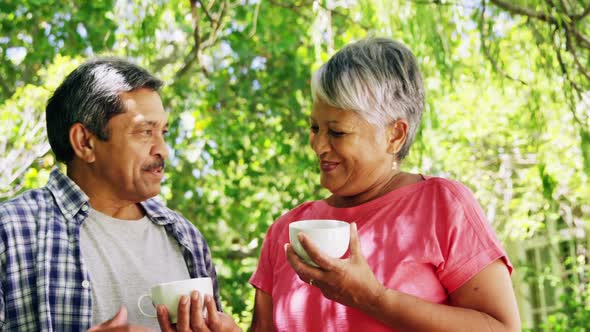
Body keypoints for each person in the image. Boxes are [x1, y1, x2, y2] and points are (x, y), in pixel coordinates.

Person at [249, 38, 521, 331]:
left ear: (394, 135)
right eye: (314, 128)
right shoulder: (286, 230)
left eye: (337, 133)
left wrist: (373, 298)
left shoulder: (441, 205)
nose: (318, 146)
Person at [0, 58, 237, 332]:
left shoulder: (186, 238)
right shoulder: (11, 231)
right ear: (85, 142)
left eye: (163, 132)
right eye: (145, 132)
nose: (163, 150)